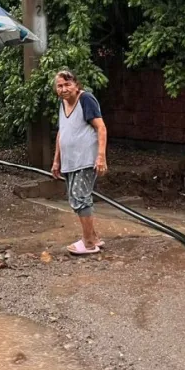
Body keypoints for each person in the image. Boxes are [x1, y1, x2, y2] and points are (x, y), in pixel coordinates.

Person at [51, 69, 108, 255]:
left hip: (85, 158)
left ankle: (89, 242)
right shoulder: (62, 103)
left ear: (76, 85)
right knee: (75, 198)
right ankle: (94, 237)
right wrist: (56, 160)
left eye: (68, 84)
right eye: (60, 86)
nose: (64, 89)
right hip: (70, 159)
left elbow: (101, 128)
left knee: (80, 197)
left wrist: (101, 156)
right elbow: (62, 132)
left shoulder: (86, 99)